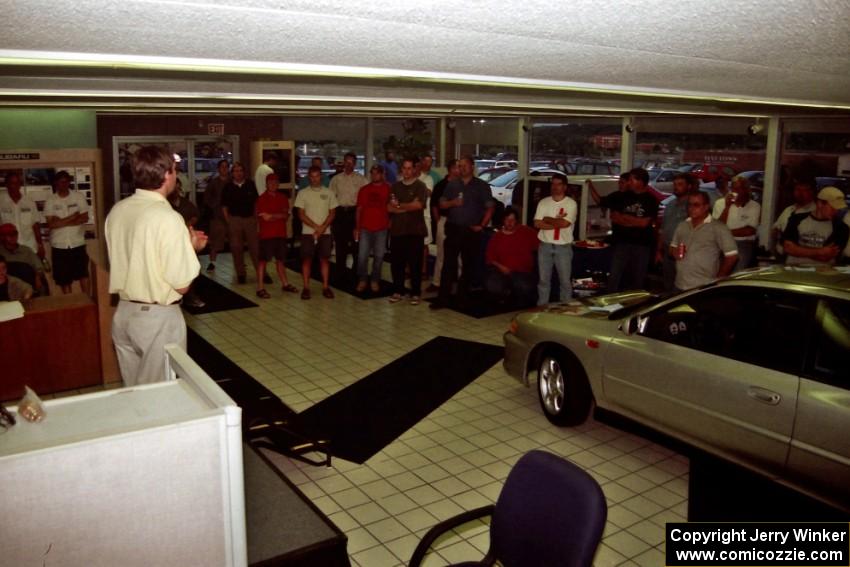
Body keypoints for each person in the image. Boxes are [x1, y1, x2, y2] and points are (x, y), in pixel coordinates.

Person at [105, 146, 207, 386]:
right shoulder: (167, 217)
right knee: (160, 395)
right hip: (156, 319)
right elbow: (181, 285)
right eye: (174, 170)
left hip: (124, 314)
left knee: (135, 390)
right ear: (166, 175)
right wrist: (191, 248)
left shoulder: (118, 211)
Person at [431, 156, 495, 309]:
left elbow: (490, 207)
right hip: (453, 228)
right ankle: (443, 298)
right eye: (460, 166)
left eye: (465, 165)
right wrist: (453, 202)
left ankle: (462, 297)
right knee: (448, 264)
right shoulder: (453, 185)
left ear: (472, 166)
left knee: (468, 265)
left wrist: (482, 225)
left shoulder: (481, 186)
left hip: (471, 230)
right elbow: (441, 204)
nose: (462, 168)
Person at [669, 191, 738, 291]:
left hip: (702, 287)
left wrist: (718, 279)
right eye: (690, 204)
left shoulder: (718, 227)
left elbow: (732, 256)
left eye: (696, 205)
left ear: (706, 207)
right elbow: (672, 247)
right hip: (680, 284)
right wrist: (674, 251)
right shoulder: (682, 225)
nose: (691, 208)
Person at [606, 168, 658, 292]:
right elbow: (614, 217)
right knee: (614, 276)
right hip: (622, 243)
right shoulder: (622, 196)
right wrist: (633, 221)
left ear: (640, 181)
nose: (628, 182)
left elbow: (644, 223)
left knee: (637, 279)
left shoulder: (651, 200)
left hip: (641, 245)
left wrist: (627, 219)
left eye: (631, 179)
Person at [387, 158, 428, 305]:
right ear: (401, 170)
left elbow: (418, 205)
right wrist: (406, 206)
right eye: (404, 168)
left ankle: (415, 293)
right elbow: (389, 208)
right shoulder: (395, 187)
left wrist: (399, 206)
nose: (407, 171)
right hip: (398, 231)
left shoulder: (420, 186)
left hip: (415, 231)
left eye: (410, 168)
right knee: (397, 263)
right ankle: (398, 291)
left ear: (414, 170)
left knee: (415, 264)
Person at [534, 174, 577, 304]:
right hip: (545, 245)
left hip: (563, 247)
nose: (555, 187)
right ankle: (542, 307)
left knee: (564, 281)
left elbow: (565, 224)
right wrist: (556, 222)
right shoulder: (544, 202)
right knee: (543, 280)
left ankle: (565, 307)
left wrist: (547, 219)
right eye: (553, 184)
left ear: (564, 187)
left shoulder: (571, 204)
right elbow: (537, 224)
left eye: (558, 184)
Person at [295, 165, 338, 299]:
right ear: (309, 177)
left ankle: (325, 286)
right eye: (312, 177)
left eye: (317, 176)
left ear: (321, 177)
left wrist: (323, 228)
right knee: (306, 260)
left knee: (324, 260)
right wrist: (315, 227)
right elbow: (300, 214)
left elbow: (332, 213)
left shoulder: (329, 192)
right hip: (308, 232)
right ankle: (306, 288)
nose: (314, 179)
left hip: (325, 233)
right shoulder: (302, 193)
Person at [485, 206, 539, 306]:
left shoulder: (527, 232)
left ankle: (517, 296)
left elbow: (540, 244)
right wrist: (501, 267)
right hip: (501, 270)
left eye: (512, 220)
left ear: (517, 221)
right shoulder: (497, 237)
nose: (510, 222)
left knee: (525, 287)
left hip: (522, 272)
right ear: (503, 221)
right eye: (507, 219)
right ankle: (505, 294)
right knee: (493, 286)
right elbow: (490, 257)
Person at [782, 186, 849, 266]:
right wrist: (820, 251)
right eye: (832, 207)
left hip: (823, 274)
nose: (836, 211)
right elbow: (788, 248)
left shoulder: (841, 228)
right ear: (819, 203)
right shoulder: (796, 219)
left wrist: (798, 250)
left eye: (838, 208)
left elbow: (826, 257)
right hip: (793, 271)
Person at [255, 173, 297, 298]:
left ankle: (285, 284)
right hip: (266, 235)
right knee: (263, 261)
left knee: (280, 260)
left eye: (275, 182)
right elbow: (265, 217)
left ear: (278, 184)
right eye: (270, 182)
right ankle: (260, 288)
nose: (273, 184)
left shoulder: (283, 197)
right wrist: (277, 215)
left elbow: (285, 216)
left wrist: (272, 215)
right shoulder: (261, 199)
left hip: (280, 234)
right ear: (266, 184)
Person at [222, 162, 262, 285]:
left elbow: (256, 203)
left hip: (249, 219)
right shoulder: (228, 187)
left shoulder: (250, 185)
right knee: (236, 247)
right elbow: (224, 206)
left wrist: (255, 218)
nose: (238, 173)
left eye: (240, 170)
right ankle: (241, 274)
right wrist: (228, 220)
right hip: (235, 220)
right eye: (236, 171)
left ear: (244, 172)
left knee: (255, 247)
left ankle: (261, 273)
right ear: (232, 173)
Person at [169, 181, 206, 309]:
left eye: (178, 187)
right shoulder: (165, 205)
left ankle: (191, 296)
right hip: (172, 241)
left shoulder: (185, 203)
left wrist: (189, 222)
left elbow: (195, 214)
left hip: (186, 238)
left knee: (191, 268)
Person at [329, 152, 368, 271]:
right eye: (347, 162)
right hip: (340, 214)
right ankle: (340, 271)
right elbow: (331, 198)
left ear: (355, 164)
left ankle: (357, 271)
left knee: (356, 244)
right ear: (343, 162)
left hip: (354, 214)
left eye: (351, 162)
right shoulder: (336, 179)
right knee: (340, 245)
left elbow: (366, 200)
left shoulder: (362, 180)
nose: (349, 165)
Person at [354, 164, 391, 292]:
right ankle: (363, 279)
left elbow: (393, 207)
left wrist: (390, 222)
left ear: (382, 174)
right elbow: (359, 209)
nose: (374, 175)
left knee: (379, 256)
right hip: (365, 227)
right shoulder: (364, 190)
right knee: (362, 256)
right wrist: (357, 227)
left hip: (381, 228)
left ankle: (375, 279)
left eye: (377, 173)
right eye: (372, 173)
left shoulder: (388, 189)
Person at [713, 176, 760, 271]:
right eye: (732, 188)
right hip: (720, 242)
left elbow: (749, 231)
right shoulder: (720, 203)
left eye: (738, 188)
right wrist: (727, 207)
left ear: (746, 190)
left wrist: (725, 233)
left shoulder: (754, 206)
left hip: (742, 243)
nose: (734, 191)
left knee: (738, 267)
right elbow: (717, 227)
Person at [426, 159, 460, 293]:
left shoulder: (462, 185)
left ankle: (458, 282)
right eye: (456, 168)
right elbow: (434, 205)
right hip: (445, 220)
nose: (458, 170)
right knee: (442, 253)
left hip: (460, 221)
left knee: (460, 254)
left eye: (460, 168)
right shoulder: (441, 185)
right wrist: (438, 220)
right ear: (450, 169)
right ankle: (437, 282)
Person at [656, 173, 691, 291]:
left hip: (684, 251)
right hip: (667, 250)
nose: (676, 187)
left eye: (680, 184)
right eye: (675, 184)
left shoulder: (692, 206)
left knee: (682, 286)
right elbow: (663, 229)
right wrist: (659, 250)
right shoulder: (670, 205)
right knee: (668, 284)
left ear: (689, 186)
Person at [0, 171, 44, 258]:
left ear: (20, 184)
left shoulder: (29, 201)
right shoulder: (1, 201)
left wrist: (40, 245)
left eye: (17, 183)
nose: (14, 186)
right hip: (7, 249)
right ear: (6, 185)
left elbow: (35, 225)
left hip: (29, 246)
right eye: (11, 183)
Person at [772, 179, 816, 257]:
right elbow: (776, 229)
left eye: (804, 190)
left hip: (802, 257)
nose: (800, 193)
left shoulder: (815, 212)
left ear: (811, 192)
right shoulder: (788, 210)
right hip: (781, 255)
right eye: (797, 189)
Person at [0, 223, 44, 295]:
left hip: (27, 286)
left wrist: (38, 277)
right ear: (2, 237)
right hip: (7, 287)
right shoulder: (1, 252)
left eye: (15, 234)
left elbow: (39, 268)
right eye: (9, 235)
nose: (13, 237)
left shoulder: (26, 250)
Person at [203, 159, 230, 272]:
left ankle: (240, 262)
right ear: (218, 169)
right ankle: (212, 262)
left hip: (231, 216)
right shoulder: (214, 183)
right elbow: (206, 198)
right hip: (217, 216)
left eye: (226, 167)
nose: (224, 169)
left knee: (236, 240)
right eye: (222, 167)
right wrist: (215, 205)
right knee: (215, 241)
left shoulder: (231, 182)